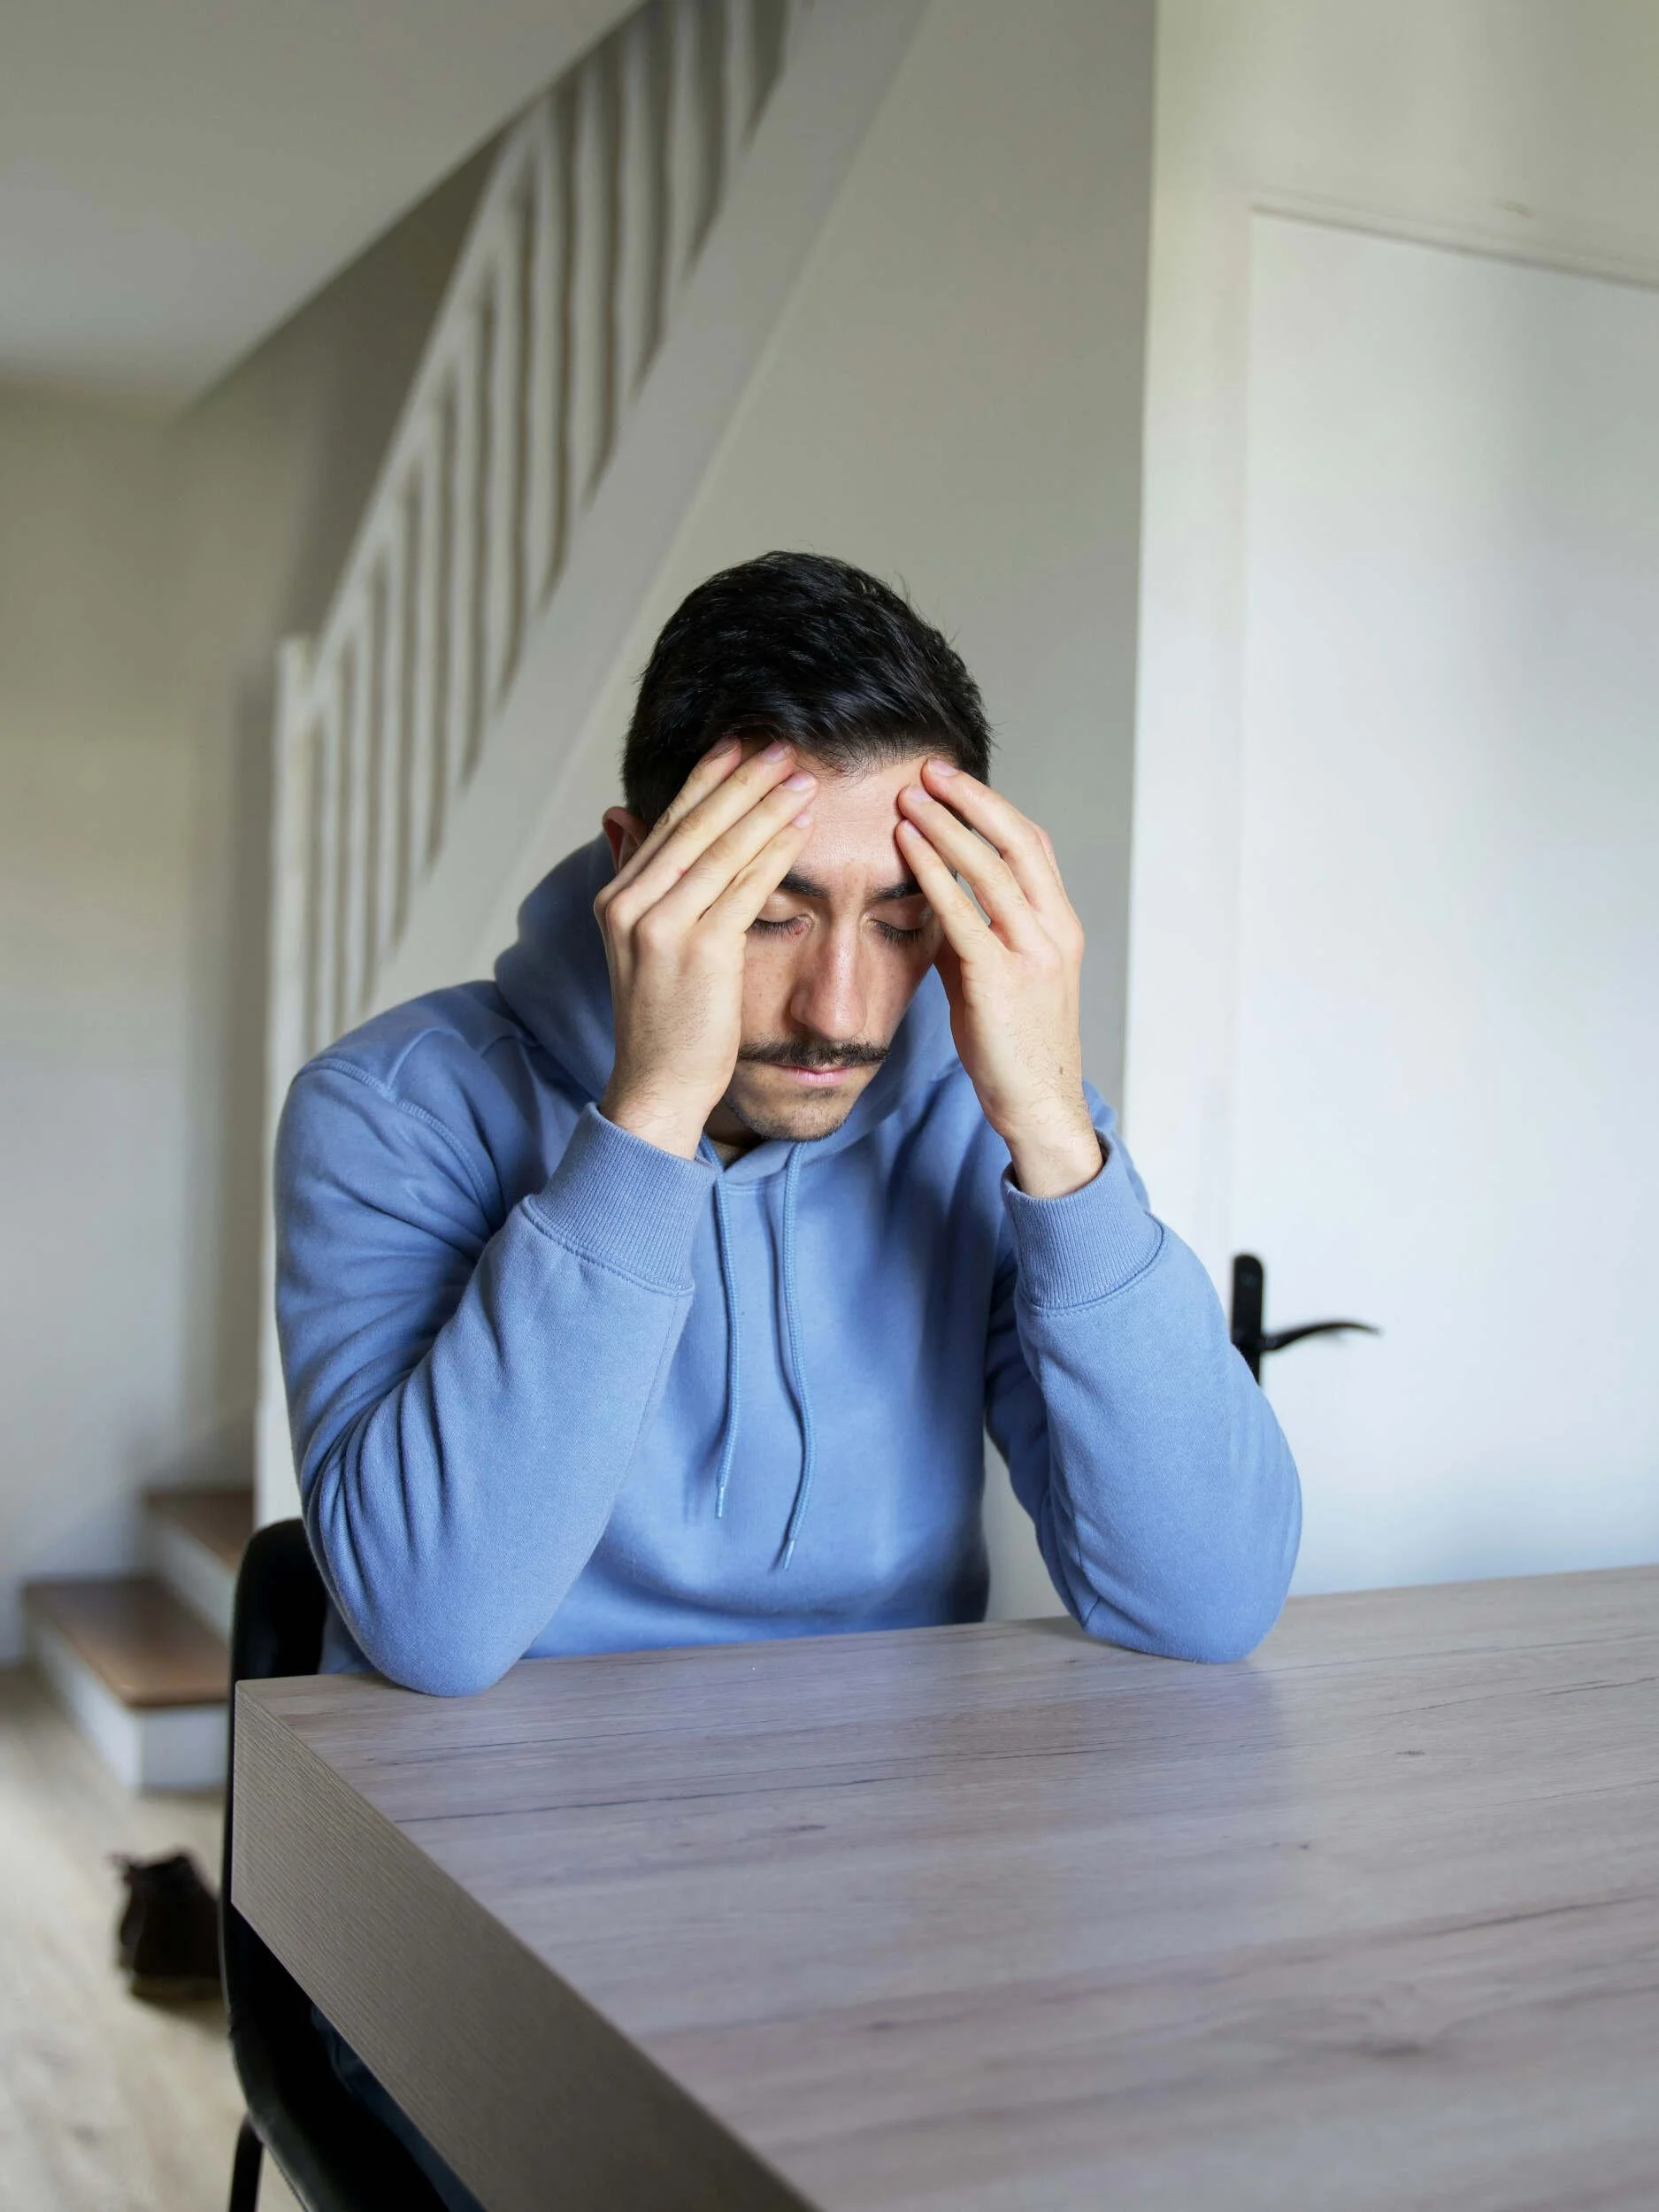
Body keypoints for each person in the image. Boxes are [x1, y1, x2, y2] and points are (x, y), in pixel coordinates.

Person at [274, 551, 1300, 2207]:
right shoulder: (390, 1109)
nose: (840, 1009)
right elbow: (437, 1624)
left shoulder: (982, 1114)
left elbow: (1207, 1597)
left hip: (886, 1904)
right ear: (637, 874)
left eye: (905, 922)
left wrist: (1055, 1130)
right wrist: (650, 1116)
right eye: (768, 913)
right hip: (475, 1915)